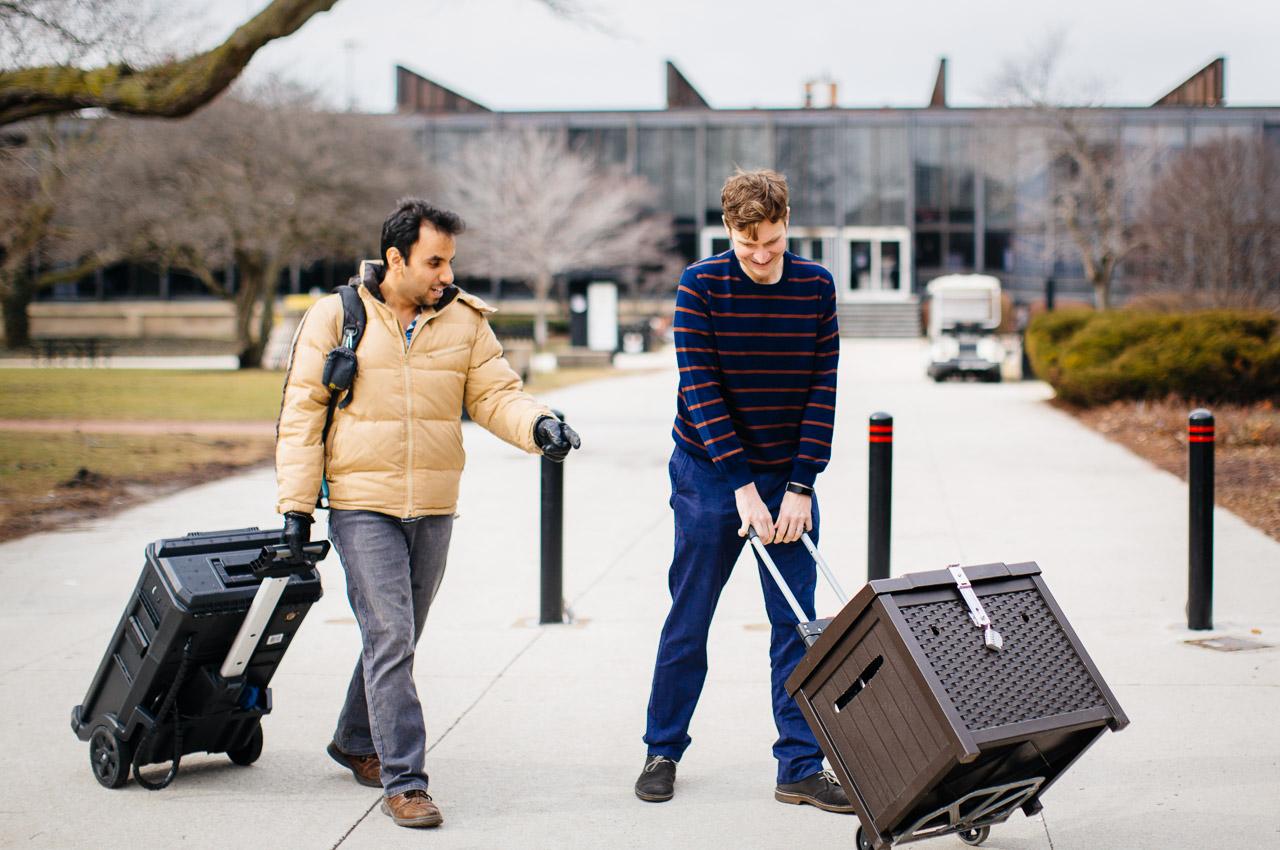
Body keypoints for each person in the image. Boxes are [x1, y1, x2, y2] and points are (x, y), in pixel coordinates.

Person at [275, 199, 580, 829]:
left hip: (435, 505)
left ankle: (356, 740)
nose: (446, 274)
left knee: (400, 635)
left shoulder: (464, 322)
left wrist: (539, 425)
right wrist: (296, 510)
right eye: (434, 261)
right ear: (395, 258)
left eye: (450, 261)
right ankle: (406, 780)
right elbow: (301, 416)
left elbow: (496, 394)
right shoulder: (337, 318)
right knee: (390, 635)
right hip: (362, 505)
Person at [635, 170, 850, 812]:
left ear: (789, 225)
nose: (761, 256)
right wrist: (741, 489)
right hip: (709, 473)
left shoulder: (815, 287)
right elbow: (701, 392)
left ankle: (801, 766)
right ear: (728, 229)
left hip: (788, 478)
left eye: (774, 242)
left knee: (796, 624)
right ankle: (662, 747)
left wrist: (802, 485)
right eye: (748, 242)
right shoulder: (701, 285)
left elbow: (823, 389)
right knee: (690, 613)